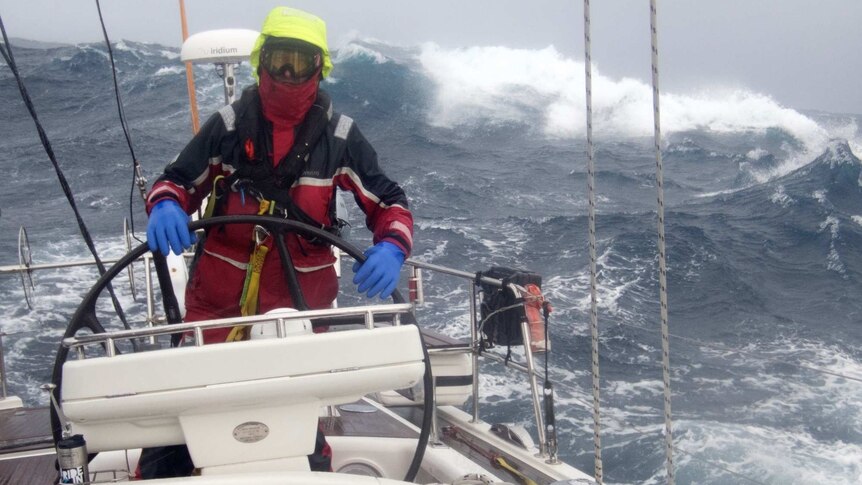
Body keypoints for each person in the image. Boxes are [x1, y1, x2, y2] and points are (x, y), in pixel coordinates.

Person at [139, 6, 413, 477]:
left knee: (296, 424)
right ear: (261, 62)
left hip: (297, 313)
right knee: (180, 427)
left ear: (319, 69)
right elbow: (176, 182)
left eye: (300, 62)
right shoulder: (226, 127)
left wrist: (392, 246)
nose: (288, 73)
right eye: (279, 60)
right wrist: (165, 204)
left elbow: (390, 203)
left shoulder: (340, 138)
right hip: (216, 309)